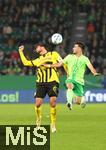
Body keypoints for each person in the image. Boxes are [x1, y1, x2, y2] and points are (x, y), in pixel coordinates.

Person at [18, 42, 63, 132]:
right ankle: (38, 120)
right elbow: (25, 63)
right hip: (41, 83)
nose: (35, 49)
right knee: (38, 104)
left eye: (36, 47)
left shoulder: (53, 54)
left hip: (53, 81)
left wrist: (49, 65)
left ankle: (53, 124)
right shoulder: (38, 60)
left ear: (42, 47)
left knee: (53, 102)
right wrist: (20, 52)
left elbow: (61, 63)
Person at [43, 41, 99, 110]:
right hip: (71, 78)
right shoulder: (69, 57)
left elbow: (91, 67)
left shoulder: (85, 59)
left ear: (80, 49)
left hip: (79, 81)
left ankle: (82, 99)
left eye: (75, 47)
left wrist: (94, 73)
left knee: (78, 102)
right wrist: (49, 65)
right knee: (69, 85)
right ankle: (69, 102)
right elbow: (59, 64)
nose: (73, 48)